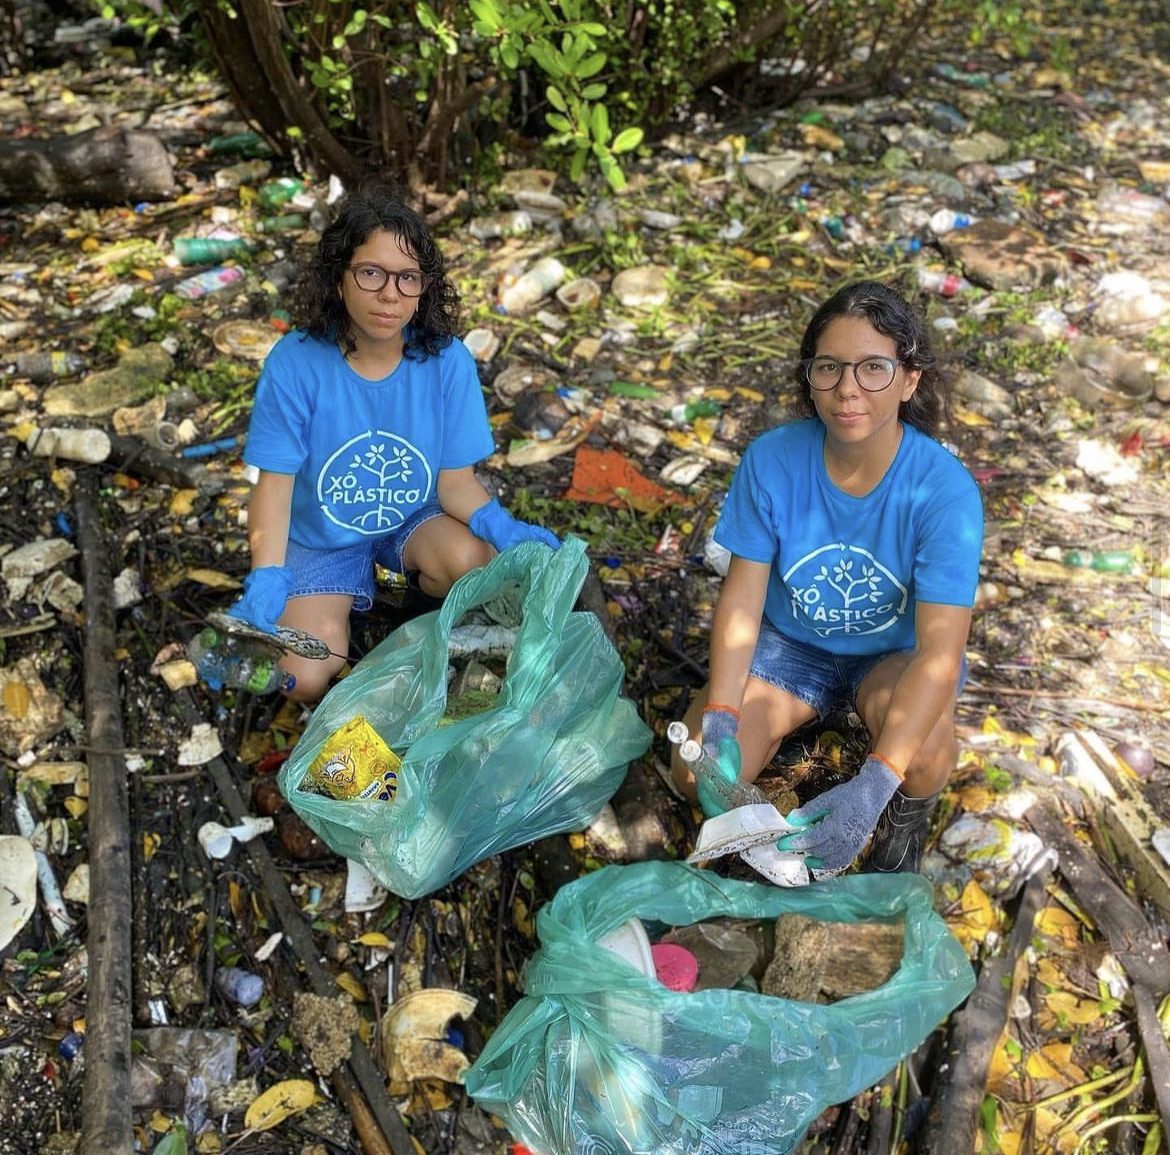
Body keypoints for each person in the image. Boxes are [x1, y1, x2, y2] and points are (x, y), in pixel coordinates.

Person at [671, 280, 983, 875]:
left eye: (873, 369)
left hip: (891, 657)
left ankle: (899, 830)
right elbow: (742, 597)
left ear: (909, 379)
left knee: (926, 757)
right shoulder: (772, 460)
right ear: (808, 376)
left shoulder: (943, 491)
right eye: (829, 368)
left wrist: (876, 784)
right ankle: (754, 839)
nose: (848, 390)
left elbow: (941, 653)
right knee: (696, 773)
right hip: (789, 652)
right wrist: (719, 718)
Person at [223, 178, 558, 702]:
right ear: (340, 278)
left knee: (473, 562)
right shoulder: (295, 363)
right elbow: (275, 484)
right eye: (372, 272)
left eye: (408, 278)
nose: (389, 294)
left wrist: (500, 525)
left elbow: (454, 484)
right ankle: (336, 600)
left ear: (424, 288)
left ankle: (399, 590)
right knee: (305, 677)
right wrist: (266, 574)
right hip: (319, 536)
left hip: (409, 521)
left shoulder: (447, 362)